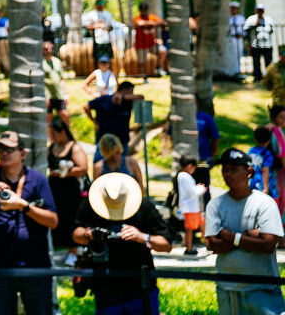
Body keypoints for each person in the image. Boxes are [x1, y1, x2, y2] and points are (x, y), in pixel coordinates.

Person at [0, 131, 59, 315]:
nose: (4, 153)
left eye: (9, 149)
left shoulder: (38, 180)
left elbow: (53, 221)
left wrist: (23, 206)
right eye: (0, 149)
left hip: (34, 263)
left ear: (23, 153)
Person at [72, 172, 172, 314]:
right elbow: (76, 235)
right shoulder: (91, 204)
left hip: (140, 286)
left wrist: (142, 237)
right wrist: (91, 234)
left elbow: (166, 245)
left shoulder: (143, 206)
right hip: (105, 287)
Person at [205, 148, 285, 314]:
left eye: (234, 169)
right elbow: (214, 246)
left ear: (249, 171)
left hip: (263, 289)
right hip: (227, 289)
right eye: (225, 169)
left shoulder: (265, 203)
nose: (228, 174)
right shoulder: (215, 205)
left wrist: (230, 236)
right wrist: (249, 235)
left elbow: (268, 245)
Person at [47, 118, 88, 263]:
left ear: (62, 132)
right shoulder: (51, 147)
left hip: (71, 192)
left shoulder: (74, 147)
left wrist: (64, 173)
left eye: (53, 133)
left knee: (73, 219)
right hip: (54, 191)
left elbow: (83, 168)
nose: (52, 136)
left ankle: (74, 250)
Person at [84, 80, 140, 156]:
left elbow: (140, 97)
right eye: (131, 92)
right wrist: (94, 122)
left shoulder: (128, 103)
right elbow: (86, 106)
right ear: (124, 90)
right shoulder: (104, 99)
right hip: (104, 140)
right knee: (100, 163)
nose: (132, 94)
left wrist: (122, 96)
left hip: (122, 141)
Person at [176, 155, 207, 255]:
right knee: (189, 229)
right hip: (190, 208)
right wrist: (201, 189)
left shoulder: (183, 176)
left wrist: (196, 187)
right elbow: (192, 192)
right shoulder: (184, 177)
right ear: (190, 166)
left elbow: (190, 190)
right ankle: (188, 248)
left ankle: (209, 243)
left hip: (193, 208)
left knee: (202, 224)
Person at [132, 2, 164, 78]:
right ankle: (144, 77)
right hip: (141, 45)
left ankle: (158, 68)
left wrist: (151, 23)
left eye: (145, 10)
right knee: (142, 62)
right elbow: (139, 23)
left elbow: (162, 22)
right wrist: (152, 23)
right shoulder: (137, 18)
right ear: (140, 11)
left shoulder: (151, 17)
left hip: (151, 44)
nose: (144, 12)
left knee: (163, 51)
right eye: (142, 10)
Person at [43, 41, 70, 129]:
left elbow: (61, 79)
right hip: (47, 96)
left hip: (58, 94)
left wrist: (65, 93)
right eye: (46, 49)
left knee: (65, 115)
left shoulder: (57, 61)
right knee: (48, 118)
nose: (49, 50)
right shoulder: (40, 63)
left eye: (51, 48)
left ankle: (68, 137)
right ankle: (50, 139)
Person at [245, 5, 276, 83]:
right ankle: (257, 77)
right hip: (256, 44)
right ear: (255, 11)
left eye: (261, 10)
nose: (260, 12)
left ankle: (269, 77)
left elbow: (273, 29)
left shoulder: (268, 19)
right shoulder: (251, 19)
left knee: (268, 62)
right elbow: (246, 29)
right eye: (258, 10)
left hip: (267, 44)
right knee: (256, 62)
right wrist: (254, 25)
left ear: (264, 11)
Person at [83, 0, 116, 65]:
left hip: (107, 40)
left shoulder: (108, 14)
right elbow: (87, 26)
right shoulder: (91, 14)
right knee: (97, 59)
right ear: (95, 5)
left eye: (101, 4)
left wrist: (107, 28)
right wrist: (98, 26)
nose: (100, 6)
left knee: (109, 59)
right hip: (97, 40)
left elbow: (111, 26)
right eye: (98, 5)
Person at [249, 126, 278, 199]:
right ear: (269, 140)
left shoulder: (251, 150)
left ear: (255, 139)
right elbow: (265, 171)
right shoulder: (267, 154)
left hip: (253, 181)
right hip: (263, 184)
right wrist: (266, 188)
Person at [229, 1, 247, 77]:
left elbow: (245, 29)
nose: (233, 10)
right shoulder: (227, 18)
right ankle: (231, 71)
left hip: (239, 39)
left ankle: (238, 70)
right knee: (231, 55)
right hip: (230, 39)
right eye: (232, 8)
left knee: (239, 54)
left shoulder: (241, 18)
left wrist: (242, 35)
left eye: (235, 8)